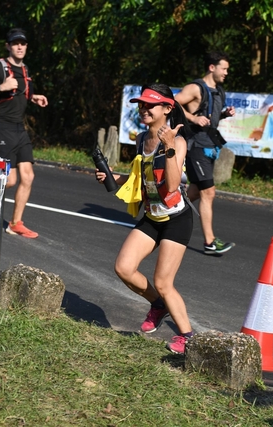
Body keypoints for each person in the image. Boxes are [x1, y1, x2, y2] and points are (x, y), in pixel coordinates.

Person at [95, 83, 195, 355]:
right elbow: (141, 178)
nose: (144, 109)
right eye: (141, 104)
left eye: (150, 105)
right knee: (124, 267)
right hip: (152, 216)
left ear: (167, 109)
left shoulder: (178, 142)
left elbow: (172, 186)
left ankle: (187, 337)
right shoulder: (141, 139)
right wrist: (113, 177)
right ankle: (158, 304)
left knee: (163, 281)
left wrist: (169, 147)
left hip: (176, 219)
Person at [0, 28, 48, 238]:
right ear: (8, 46)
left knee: (28, 176)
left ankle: (15, 223)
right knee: (9, 180)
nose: (19, 47)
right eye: (15, 43)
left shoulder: (25, 69)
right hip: (2, 129)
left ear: (27, 46)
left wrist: (34, 97)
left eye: (23, 43)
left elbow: (21, 93)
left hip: (19, 129)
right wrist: (1, 87)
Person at [174, 51, 236, 255]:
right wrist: (192, 118)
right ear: (212, 67)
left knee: (193, 192)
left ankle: (165, 212)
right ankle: (209, 243)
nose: (226, 72)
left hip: (209, 147)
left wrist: (224, 114)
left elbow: (209, 118)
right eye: (224, 68)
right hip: (196, 147)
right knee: (208, 192)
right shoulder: (195, 88)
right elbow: (172, 103)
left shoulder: (219, 91)